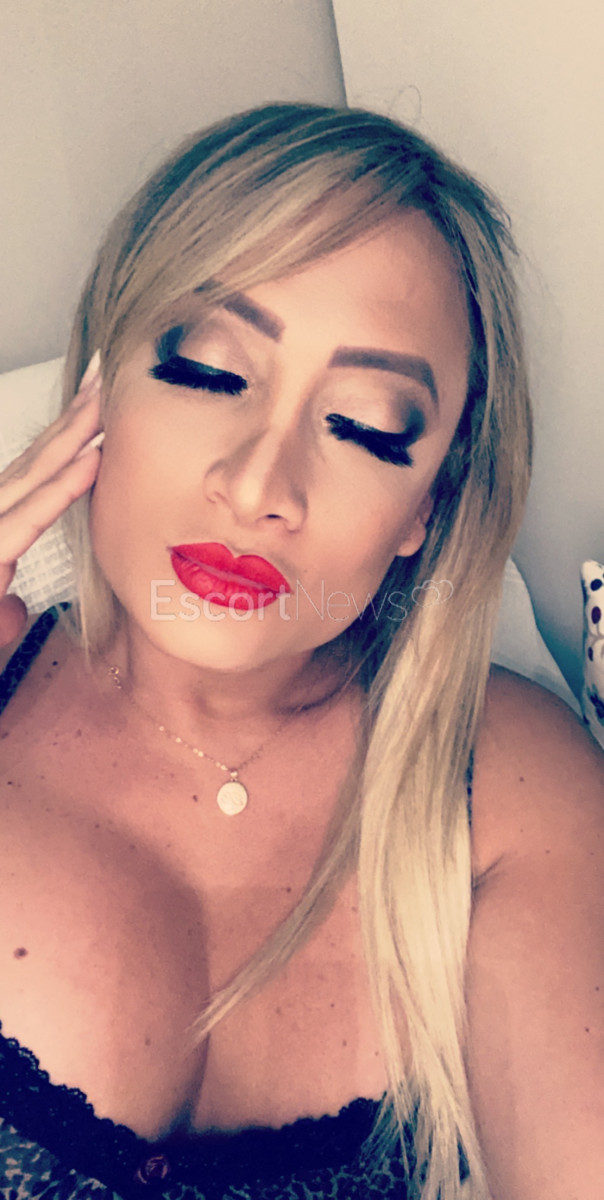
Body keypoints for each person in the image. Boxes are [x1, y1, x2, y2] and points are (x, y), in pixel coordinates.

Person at [0, 102, 602, 1200]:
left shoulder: (502, 782)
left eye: (366, 426)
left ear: (426, 507)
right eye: (208, 371)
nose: (257, 487)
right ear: (100, 385)